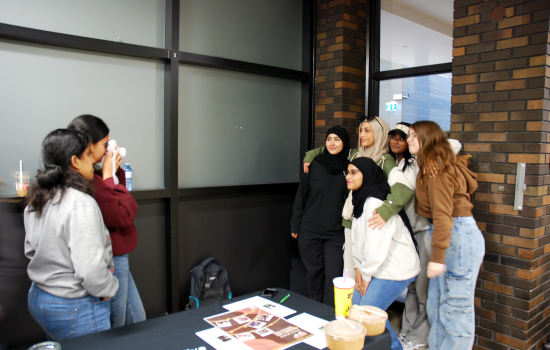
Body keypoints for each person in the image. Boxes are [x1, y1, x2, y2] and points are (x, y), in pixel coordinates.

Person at [25, 129, 119, 340]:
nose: (93, 161)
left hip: (40, 298)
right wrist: (109, 289)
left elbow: (31, 250)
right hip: (74, 307)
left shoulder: (37, 198)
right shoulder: (80, 203)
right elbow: (91, 270)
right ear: (75, 160)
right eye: (88, 154)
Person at [303, 116, 414, 280]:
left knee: (367, 272)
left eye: (368, 130)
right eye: (361, 130)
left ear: (379, 133)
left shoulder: (385, 160)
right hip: (350, 221)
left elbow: (404, 189)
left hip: (371, 223)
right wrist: (310, 155)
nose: (362, 134)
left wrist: (387, 210)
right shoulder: (355, 154)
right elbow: (331, 148)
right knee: (348, 272)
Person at [408, 121, 484, 350]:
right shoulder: (430, 165)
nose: (409, 139)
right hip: (449, 234)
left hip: (456, 235)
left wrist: (438, 257)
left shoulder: (435, 168)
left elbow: (443, 216)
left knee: (456, 309)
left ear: (427, 138)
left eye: (413, 135)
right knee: (437, 304)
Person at [68, 115, 146, 327]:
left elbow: (118, 194)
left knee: (137, 320)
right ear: (88, 147)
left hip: (119, 255)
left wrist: (112, 171)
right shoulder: (83, 182)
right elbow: (122, 213)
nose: (109, 148)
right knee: (117, 324)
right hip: (110, 259)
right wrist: (109, 176)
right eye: (105, 144)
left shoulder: (94, 176)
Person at [347, 157, 420, 350]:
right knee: (355, 309)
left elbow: (376, 245)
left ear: (368, 174)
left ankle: (394, 348)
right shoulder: (361, 198)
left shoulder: (375, 202)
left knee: (367, 313)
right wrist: (357, 268)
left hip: (396, 267)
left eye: (354, 172)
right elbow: (358, 240)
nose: (348, 176)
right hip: (375, 266)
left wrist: (366, 274)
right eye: (347, 172)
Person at [290, 126, 350, 306]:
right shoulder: (314, 165)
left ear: (344, 143)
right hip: (310, 231)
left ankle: (329, 317)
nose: (332, 143)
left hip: (336, 234)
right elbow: (302, 195)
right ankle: (314, 312)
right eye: (329, 139)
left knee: (333, 278)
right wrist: (295, 224)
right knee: (313, 276)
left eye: (337, 139)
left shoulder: (349, 169)